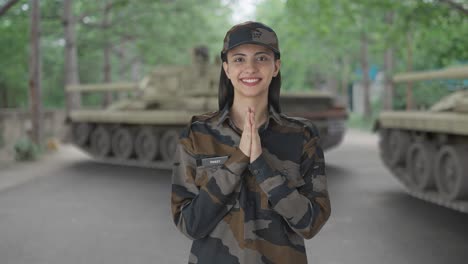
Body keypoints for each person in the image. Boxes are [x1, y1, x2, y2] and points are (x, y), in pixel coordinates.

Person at [171, 21, 331, 264]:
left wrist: (260, 165)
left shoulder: (302, 136)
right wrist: (238, 160)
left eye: (261, 58)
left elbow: (311, 224)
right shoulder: (197, 134)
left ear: (276, 66)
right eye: (239, 59)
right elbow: (190, 224)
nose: (250, 68)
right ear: (226, 68)